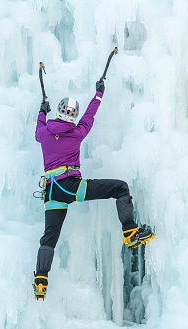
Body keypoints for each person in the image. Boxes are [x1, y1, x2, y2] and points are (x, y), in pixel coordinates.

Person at [33, 80, 153, 300]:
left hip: (51, 192)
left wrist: (42, 112)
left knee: (48, 239)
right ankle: (130, 231)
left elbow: (38, 127)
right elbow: (90, 115)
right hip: (70, 186)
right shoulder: (77, 132)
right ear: (73, 115)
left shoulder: (44, 132)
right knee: (120, 188)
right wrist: (99, 93)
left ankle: (41, 279)